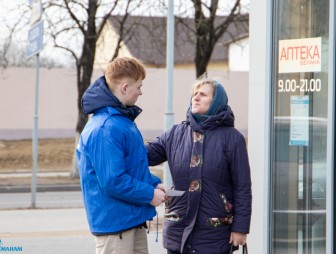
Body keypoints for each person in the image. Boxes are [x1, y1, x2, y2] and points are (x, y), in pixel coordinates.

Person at [146, 77, 252, 254]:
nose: (196, 97)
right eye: (194, 94)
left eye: (202, 94)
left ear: (216, 100)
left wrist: (240, 228)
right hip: (178, 231)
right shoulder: (175, 133)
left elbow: (242, 187)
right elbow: (140, 157)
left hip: (214, 234)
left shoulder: (232, 138)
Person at [76, 57, 166, 254]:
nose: (141, 92)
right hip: (116, 225)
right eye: (139, 86)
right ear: (125, 88)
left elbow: (129, 168)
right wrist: (149, 194)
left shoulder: (120, 122)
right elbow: (113, 180)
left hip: (130, 220)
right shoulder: (105, 128)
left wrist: (153, 184)